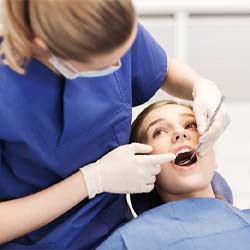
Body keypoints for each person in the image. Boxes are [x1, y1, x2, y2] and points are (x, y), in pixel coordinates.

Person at [0, 0, 230, 249]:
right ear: (42, 46)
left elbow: (161, 70)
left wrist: (200, 86)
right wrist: (91, 181)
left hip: (115, 226)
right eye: (159, 131)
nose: (119, 67)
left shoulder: (104, 19)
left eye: (190, 125)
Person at [97, 100, 250, 250]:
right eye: (159, 132)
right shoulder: (128, 242)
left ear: (213, 157)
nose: (180, 133)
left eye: (190, 125)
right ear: (143, 167)